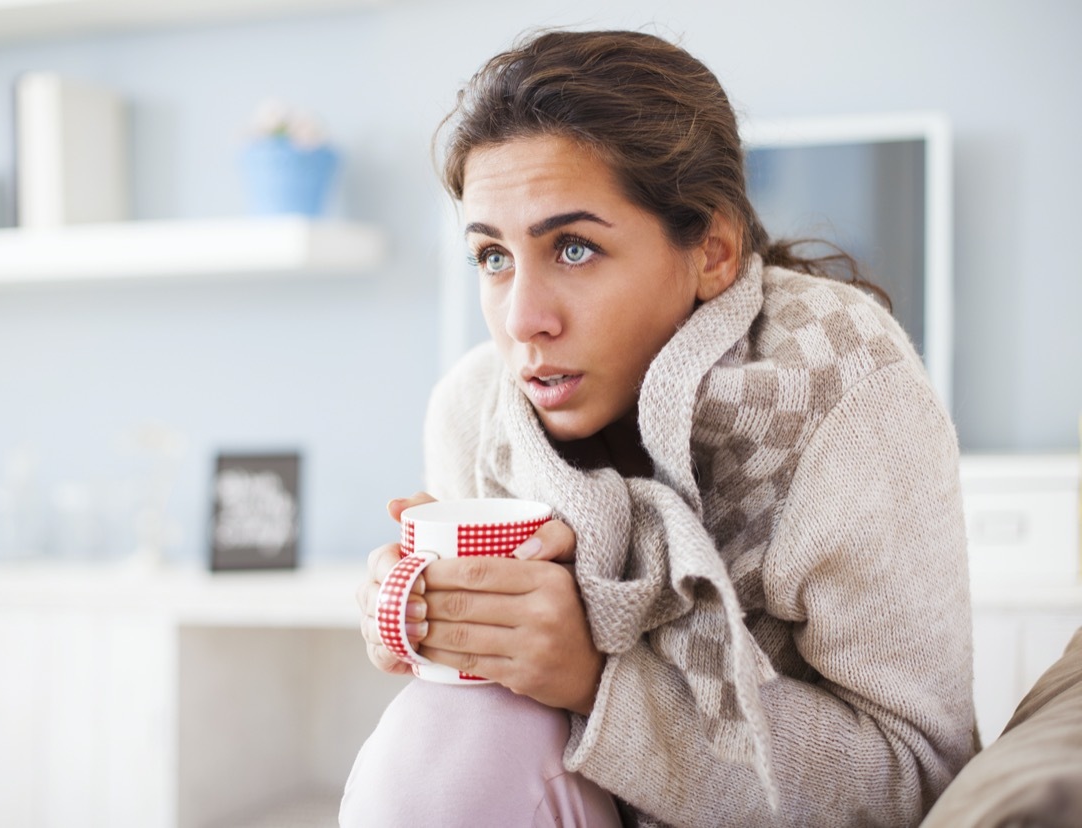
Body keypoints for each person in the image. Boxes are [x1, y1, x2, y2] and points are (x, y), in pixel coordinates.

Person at [341, 28, 977, 828]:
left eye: (573, 248)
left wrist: (595, 677)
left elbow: (917, 782)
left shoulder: (843, 387)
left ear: (712, 250)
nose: (522, 321)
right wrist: (422, 621)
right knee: (451, 725)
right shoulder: (475, 412)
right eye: (492, 258)